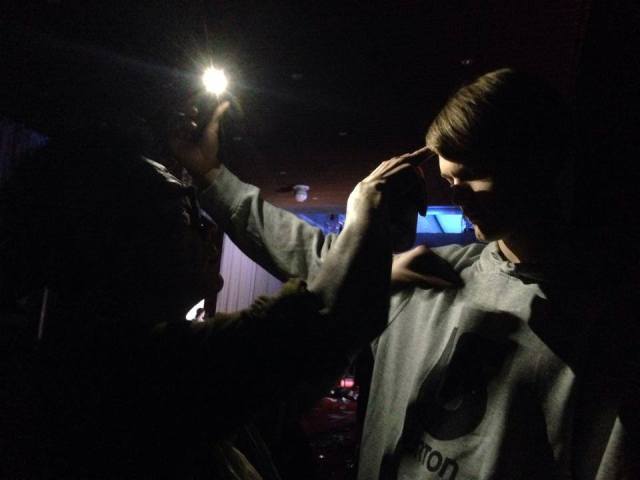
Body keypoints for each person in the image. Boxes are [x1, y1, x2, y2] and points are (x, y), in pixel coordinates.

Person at [182, 68, 638, 479]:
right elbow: (313, 256)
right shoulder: (429, 274)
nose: (457, 196)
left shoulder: (605, 324)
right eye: (449, 180)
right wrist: (211, 177)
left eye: (474, 175)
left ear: (535, 164)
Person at [0, 110, 427, 478]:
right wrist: (363, 211)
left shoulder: (84, 359)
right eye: (182, 213)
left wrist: (370, 271)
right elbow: (316, 323)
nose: (207, 229)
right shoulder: (129, 376)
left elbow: (298, 363)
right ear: (113, 241)